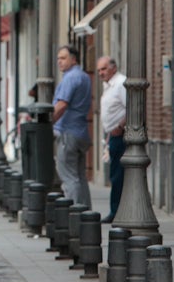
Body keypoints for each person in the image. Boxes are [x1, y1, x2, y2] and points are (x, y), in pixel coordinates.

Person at [52, 45, 93, 210]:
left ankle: (75, 213)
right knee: (80, 177)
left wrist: (48, 122)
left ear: (73, 59)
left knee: (68, 177)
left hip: (68, 132)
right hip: (81, 132)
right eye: (58, 59)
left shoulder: (70, 78)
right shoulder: (84, 77)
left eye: (63, 58)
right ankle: (86, 214)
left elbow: (62, 104)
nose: (59, 62)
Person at [97, 56, 127, 222]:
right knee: (115, 174)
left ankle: (117, 212)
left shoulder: (120, 83)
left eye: (104, 69)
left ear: (113, 68)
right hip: (112, 136)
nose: (101, 73)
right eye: (99, 70)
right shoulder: (108, 85)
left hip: (121, 136)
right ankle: (115, 210)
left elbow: (132, 108)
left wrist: (119, 127)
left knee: (118, 175)